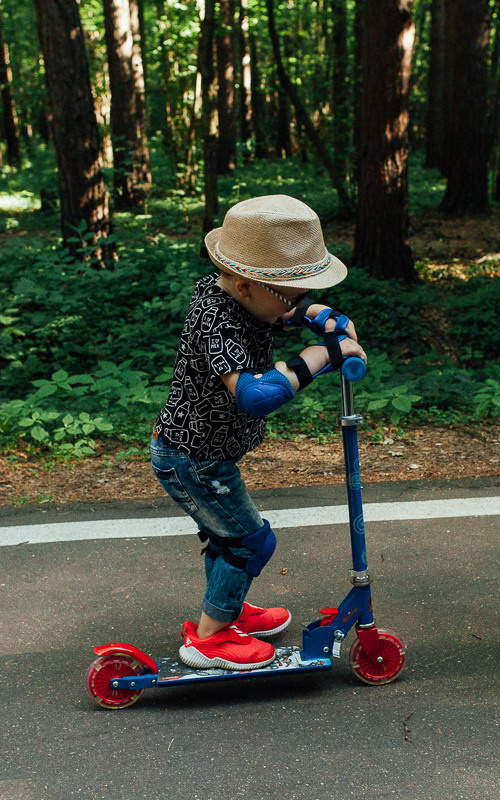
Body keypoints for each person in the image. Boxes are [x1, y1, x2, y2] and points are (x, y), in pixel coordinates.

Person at [151, 194, 366, 671]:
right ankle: (210, 638)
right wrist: (318, 358)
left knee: (225, 536)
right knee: (251, 541)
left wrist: (319, 317)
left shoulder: (240, 294)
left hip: (204, 454)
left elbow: (284, 312)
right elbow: (253, 395)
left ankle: (225, 608)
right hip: (192, 458)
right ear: (249, 285)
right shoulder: (215, 318)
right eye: (292, 292)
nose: (295, 302)